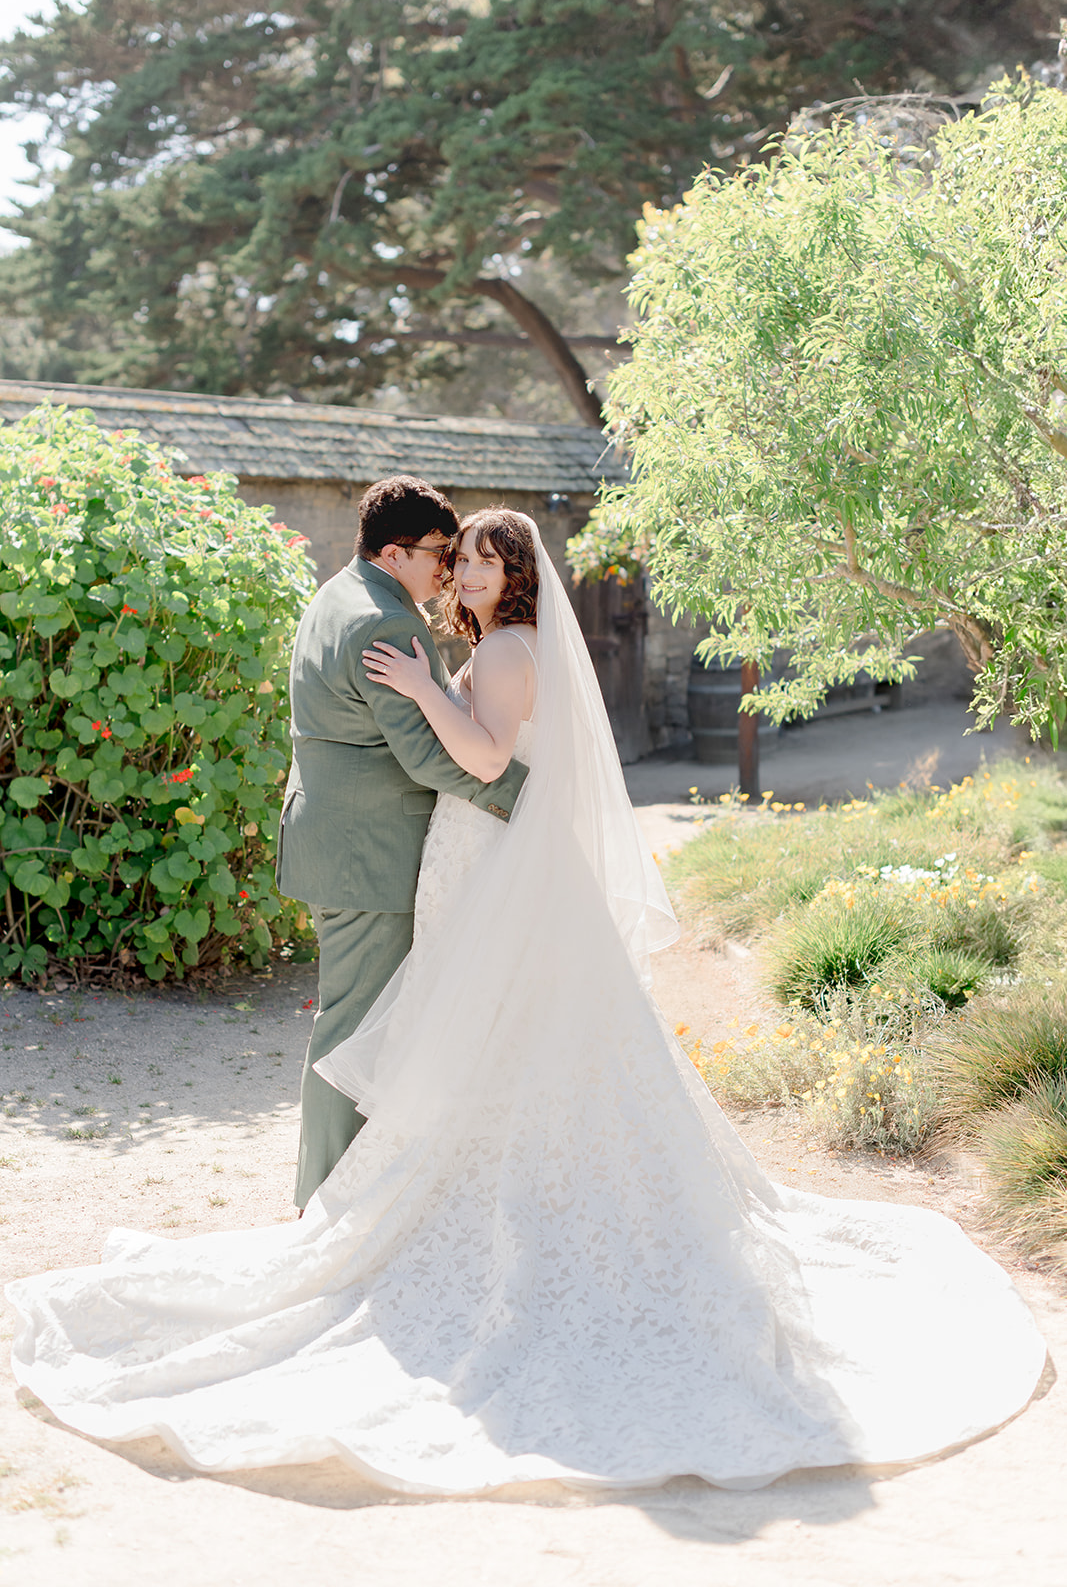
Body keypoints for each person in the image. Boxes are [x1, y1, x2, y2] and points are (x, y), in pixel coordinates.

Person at [6, 511, 1046, 1495]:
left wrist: (422, 687)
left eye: (483, 564)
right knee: (505, 1029)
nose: (465, 575)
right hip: (487, 860)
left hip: (494, 861)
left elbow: (486, 758)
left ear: (516, 579)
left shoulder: (503, 649)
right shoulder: (500, 645)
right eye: (457, 560)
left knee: (492, 1026)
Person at [275, 476, 527, 1210]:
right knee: (352, 1027)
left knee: (360, 1020)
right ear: (395, 552)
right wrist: (524, 798)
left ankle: (355, 1191)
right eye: (439, 554)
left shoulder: (338, 594)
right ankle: (324, 1203)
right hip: (368, 852)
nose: (449, 570)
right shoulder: (386, 623)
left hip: (335, 837)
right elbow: (424, 757)